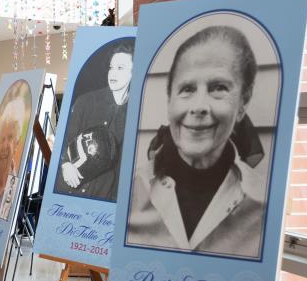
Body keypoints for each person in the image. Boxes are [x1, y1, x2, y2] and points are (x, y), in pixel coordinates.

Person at [127, 26, 266, 258]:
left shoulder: (263, 203)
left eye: (219, 88)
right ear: (170, 99)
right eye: (187, 89)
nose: (199, 106)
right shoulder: (131, 191)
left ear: (243, 102)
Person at [54, 41, 134, 201]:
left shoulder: (136, 113)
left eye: (120, 68)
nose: (113, 74)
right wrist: (65, 164)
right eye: (111, 68)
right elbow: (63, 139)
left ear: (133, 73)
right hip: (67, 194)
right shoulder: (85, 102)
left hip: (104, 200)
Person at [0, 82, 30, 211]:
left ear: (17, 144)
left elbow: (4, 219)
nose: (5, 145)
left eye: (10, 138)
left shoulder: (14, 182)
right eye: (2, 139)